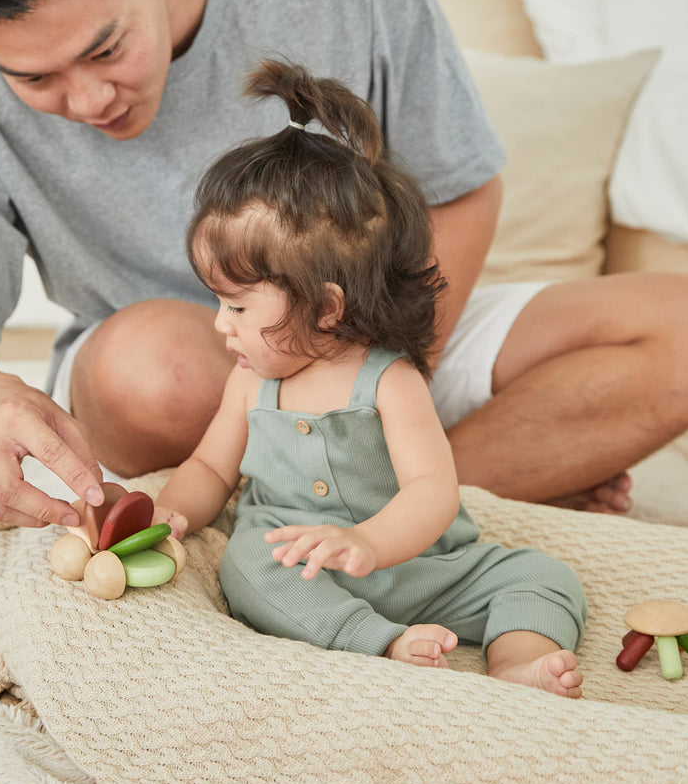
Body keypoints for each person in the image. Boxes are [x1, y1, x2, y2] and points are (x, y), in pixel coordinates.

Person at [0, 0, 688, 531]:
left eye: (106, 47)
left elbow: (460, 190)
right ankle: (463, 489)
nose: (88, 97)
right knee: (152, 365)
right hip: (180, 377)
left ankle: (408, 497)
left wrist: (386, 387)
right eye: (33, 78)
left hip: (380, 332)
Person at [153, 59, 586, 697]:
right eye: (220, 303)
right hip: (304, 567)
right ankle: (377, 640)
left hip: (422, 563)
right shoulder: (250, 382)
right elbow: (212, 471)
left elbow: (433, 492)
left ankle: (517, 661)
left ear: (327, 307)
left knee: (545, 577)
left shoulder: (389, 381)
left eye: (239, 307)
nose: (221, 326)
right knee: (248, 566)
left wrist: (367, 543)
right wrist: (168, 513)